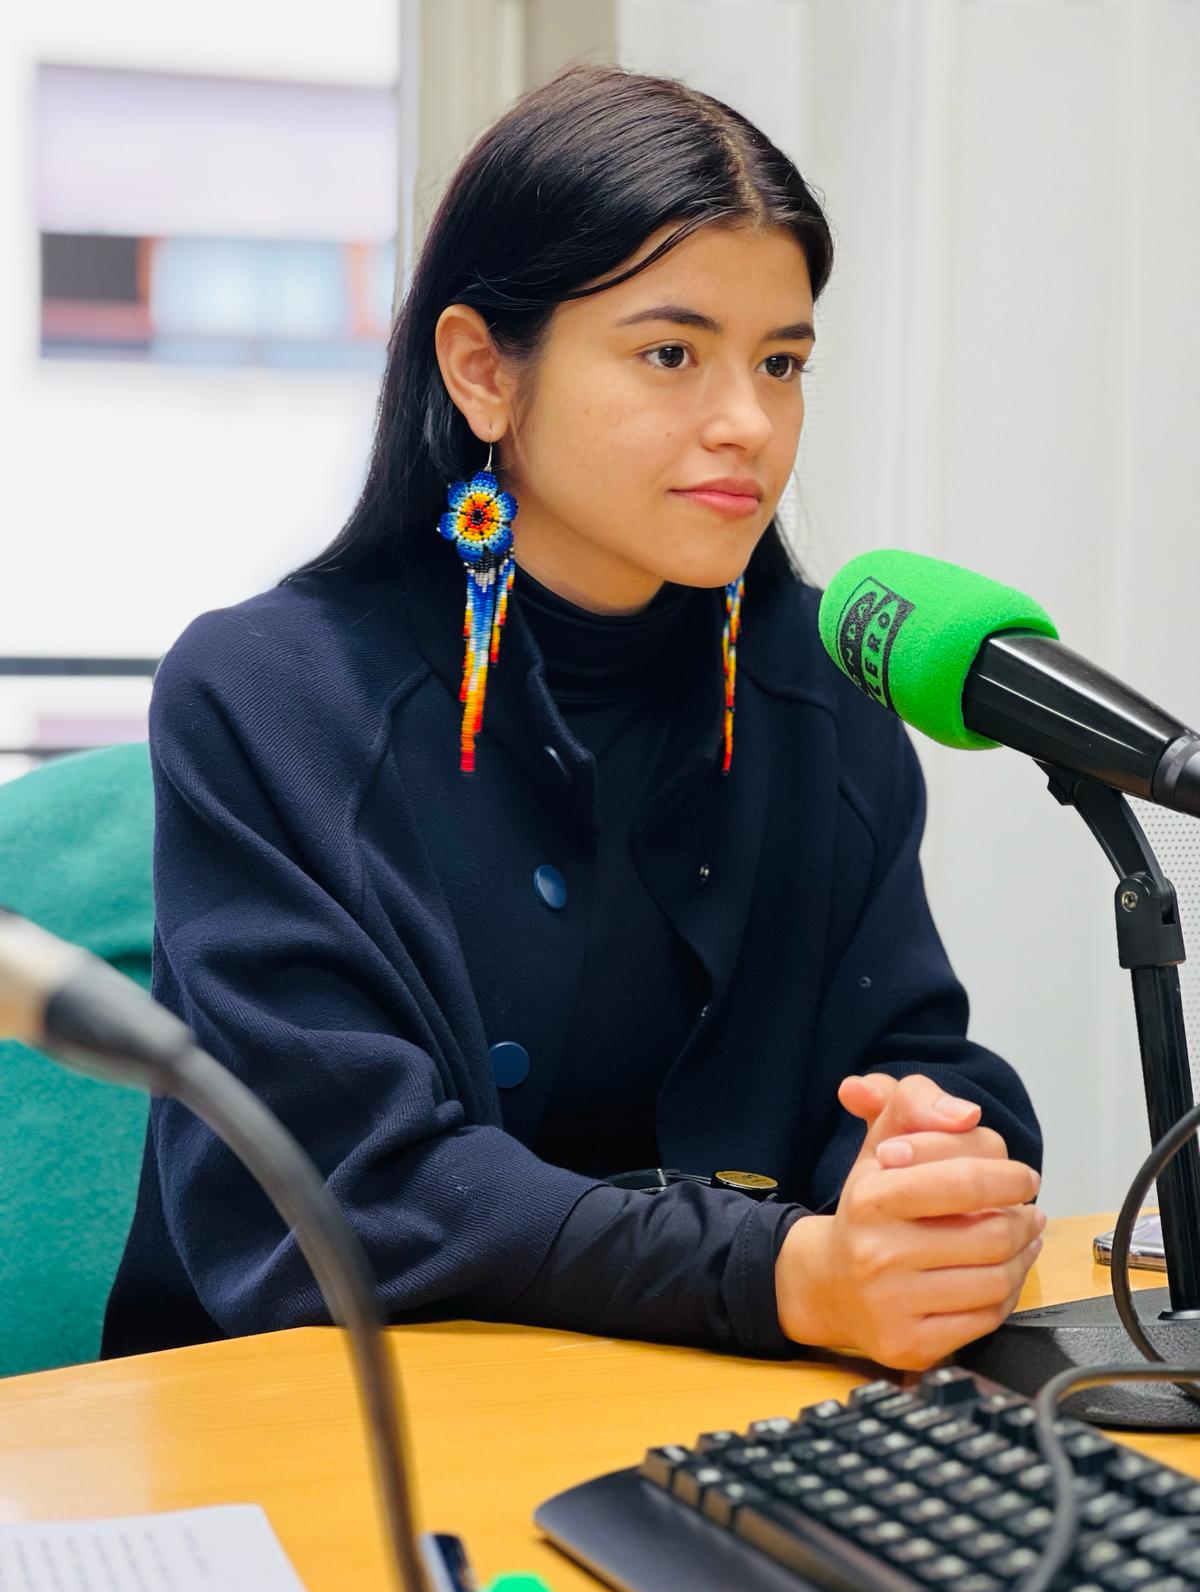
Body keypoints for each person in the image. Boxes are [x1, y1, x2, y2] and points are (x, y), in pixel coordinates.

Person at [103, 63, 1044, 1372]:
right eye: (671, 354)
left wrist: (928, 1165)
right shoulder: (270, 696)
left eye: (781, 362)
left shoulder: (824, 684)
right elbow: (349, 1190)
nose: (749, 422)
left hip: (704, 1404)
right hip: (332, 1409)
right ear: (483, 371)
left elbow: (906, 1050)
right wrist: (778, 1273)